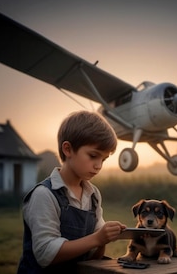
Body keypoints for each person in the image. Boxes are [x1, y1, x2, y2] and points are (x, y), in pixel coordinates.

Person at [17, 110, 127, 273]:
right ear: (68, 149)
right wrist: (97, 238)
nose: (99, 165)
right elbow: (46, 254)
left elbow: (93, 256)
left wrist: (104, 238)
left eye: (103, 159)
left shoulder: (93, 195)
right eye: (93, 156)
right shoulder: (44, 195)